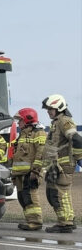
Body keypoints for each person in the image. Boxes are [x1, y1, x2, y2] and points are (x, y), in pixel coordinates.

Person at [41, 94, 82, 233]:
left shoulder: (64, 121)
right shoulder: (56, 122)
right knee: (56, 193)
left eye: (50, 109)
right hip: (56, 165)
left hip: (63, 165)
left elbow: (77, 139)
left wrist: (79, 158)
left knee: (58, 194)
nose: (48, 112)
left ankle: (65, 223)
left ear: (59, 107)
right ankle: (67, 219)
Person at [9, 107, 47, 231]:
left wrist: (35, 171)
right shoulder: (22, 135)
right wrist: (14, 175)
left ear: (27, 119)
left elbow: (41, 153)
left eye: (20, 120)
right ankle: (30, 221)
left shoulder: (39, 133)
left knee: (30, 197)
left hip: (30, 173)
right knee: (22, 197)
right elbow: (17, 156)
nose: (18, 123)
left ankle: (36, 222)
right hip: (20, 174)